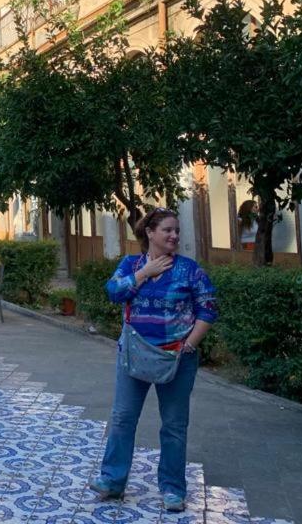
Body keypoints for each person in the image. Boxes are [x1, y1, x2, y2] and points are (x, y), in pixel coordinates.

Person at [90, 207, 218, 513]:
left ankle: (173, 489)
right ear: (150, 233)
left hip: (176, 359)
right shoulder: (130, 264)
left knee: (174, 425)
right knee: (122, 418)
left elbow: (208, 308)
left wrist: (189, 345)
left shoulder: (189, 270)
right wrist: (144, 274)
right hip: (134, 356)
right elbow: (113, 292)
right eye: (168, 230)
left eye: (177, 231)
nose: (174, 236)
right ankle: (112, 480)